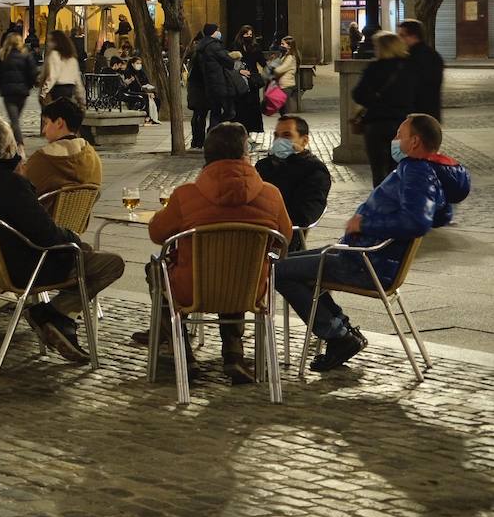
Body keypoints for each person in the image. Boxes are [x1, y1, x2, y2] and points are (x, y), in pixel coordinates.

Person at [276, 113, 468, 371]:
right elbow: (440, 213)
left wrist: (364, 224)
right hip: (362, 254)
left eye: (399, 135)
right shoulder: (427, 169)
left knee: (277, 271)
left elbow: (417, 222)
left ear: (414, 142)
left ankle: (338, 335)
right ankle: (338, 329)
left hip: (366, 262)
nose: (394, 139)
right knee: (287, 264)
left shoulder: (417, 171)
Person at [0, 116, 125, 362]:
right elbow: (45, 234)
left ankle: (59, 320)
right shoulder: (11, 184)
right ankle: (54, 313)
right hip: (29, 267)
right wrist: (73, 237)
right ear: (8, 148)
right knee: (111, 263)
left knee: (83, 251)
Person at [149, 122, 294, 384]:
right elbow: (284, 239)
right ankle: (233, 353)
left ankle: (181, 352)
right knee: (237, 268)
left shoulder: (185, 195)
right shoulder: (271, 195)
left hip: (191, 289)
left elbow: (158, 234)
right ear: (244, 154)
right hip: (250, 289)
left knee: (156, 270)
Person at [352, 30, 418, 187]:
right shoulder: (408, 68)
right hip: (401, 126)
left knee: (378, 168)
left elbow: (358, 94)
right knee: (398, 166)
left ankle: (382, 200)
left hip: (376, 124)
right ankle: (399, 199)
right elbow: (416, 95)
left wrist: (374, 102)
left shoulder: (374, 68)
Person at [254, 115, 331, 249]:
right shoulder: (264, 166)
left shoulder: (314, 171)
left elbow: (305, 215)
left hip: (284, 240)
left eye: (287, 136)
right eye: (276, 136)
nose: (279, 141)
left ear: (304, 140)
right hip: (253, 232)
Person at [21, 97, 104, 198]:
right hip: (81, 213)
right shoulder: (92, 156)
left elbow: (22, 185)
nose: (43, 130)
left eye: (46, 123)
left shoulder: (43, 158)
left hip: (46, 212)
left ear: (59, 123)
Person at [0, 34, 38, 147]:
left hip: (8, 92)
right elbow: (33, 73)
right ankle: (12, 143)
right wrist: (28, 86)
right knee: (15, 119)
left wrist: (0, 87)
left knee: (14, 120)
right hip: (22, 93)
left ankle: (18, 144)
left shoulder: (3, 55)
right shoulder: (26, 55)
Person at [397, 19, 444, 120]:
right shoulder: (433, 55)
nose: (399, 39)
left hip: (416, 113)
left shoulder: (411, 58)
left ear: (413, 36)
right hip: (429, 113)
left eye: (401, 35)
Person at [195, 23, 238, 130]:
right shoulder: (214, 46)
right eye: (217, 30)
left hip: (210, 85)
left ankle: (213, 134)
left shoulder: (202, 46)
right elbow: (228, 62)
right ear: (213, 32)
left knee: (215, 111)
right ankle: (215, 132)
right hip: (220, 84)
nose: (219, 32)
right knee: (230, 112)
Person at [40, 30, 84, 106]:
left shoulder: (54, 55)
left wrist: (44, 92)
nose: (48, 44)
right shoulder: (71, 57)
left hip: (58, 89)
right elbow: (77, 78)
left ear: (56, 42)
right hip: (69, 89)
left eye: (50, 41)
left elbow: (53, 75)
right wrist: (81, 97)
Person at [121, 55, 160, 124]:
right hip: (133, 91)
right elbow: (130, 86)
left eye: (140, 63)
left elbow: (146, 82)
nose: (139, 65)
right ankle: (147, 117)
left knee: (156, 98)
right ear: (132, 64)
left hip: (143, 90)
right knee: (145, 97)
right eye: (137, 63)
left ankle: (153, 117)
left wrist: (149, 90)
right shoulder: (128, 72)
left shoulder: (141, 72)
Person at [267, 36, 298, 113]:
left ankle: (288, 123)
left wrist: (272, 68)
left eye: (283, 44)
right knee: (282, 109)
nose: (281, 46)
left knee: (285, 109)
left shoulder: (290, 58)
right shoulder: (284, 56)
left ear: (289, 46)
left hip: (286, 85)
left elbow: (279, 70)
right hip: (282, 85)